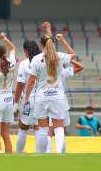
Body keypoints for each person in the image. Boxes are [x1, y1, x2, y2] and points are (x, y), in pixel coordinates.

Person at [23, 24, 75, 154]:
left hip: (41, 96)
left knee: (43, 128)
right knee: (58, 127)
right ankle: (59, 153)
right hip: (57, 95)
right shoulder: (59, 56)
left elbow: (31, 81)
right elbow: (72, 54)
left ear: (41, 45)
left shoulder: (36, 59)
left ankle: (42, 153)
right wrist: (62, 40)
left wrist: (26, 97)